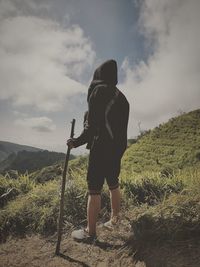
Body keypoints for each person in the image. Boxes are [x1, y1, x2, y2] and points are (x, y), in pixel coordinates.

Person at [67, 59, 129, 241]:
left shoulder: (98, 91)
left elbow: (93, 127)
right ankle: (115, 220)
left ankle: (90, 233)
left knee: (93, 189)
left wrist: (75, 142)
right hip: (117, 149)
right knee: (113, 183)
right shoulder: (122, 97)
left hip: (100, 147)